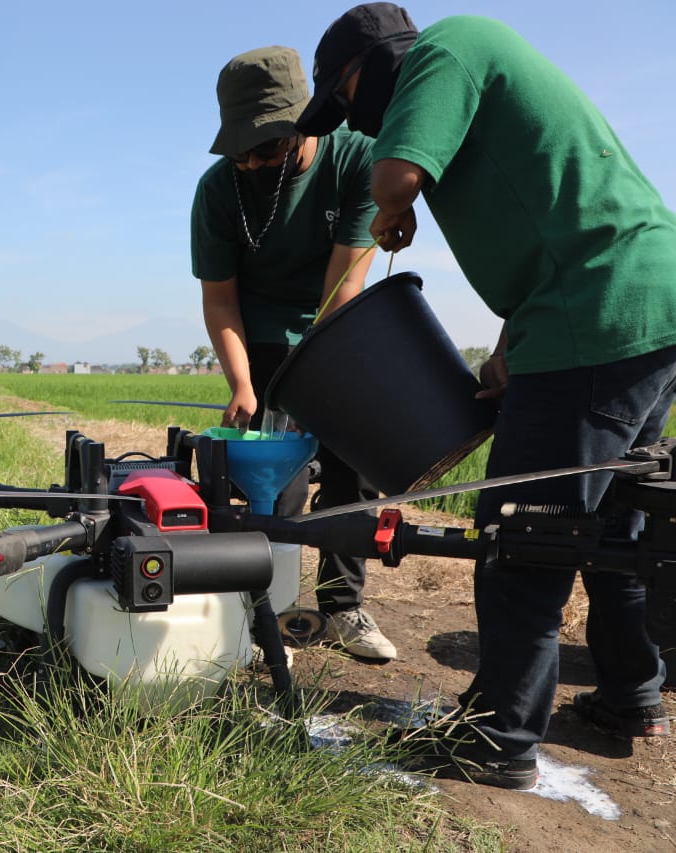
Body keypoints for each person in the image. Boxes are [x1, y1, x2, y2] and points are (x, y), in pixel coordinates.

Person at [298, 3, 676, 790]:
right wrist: (512, 341)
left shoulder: (447, 48)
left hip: (595, 317)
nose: (355, 123)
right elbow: (555, 214)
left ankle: (497, 736)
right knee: (610, 525)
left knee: (523, 533)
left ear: (372, 66)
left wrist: (392, 206)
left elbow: (393, 177)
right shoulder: (482, 60)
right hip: (641, 306)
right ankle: (632, 695)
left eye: (345, 101)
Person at [192, 46, 396, 660]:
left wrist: (316, 383)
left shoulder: (357, 159)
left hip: (340, 329)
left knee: (350, 474)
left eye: (269, 148)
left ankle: (341, 606)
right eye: (242, 152)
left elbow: (345, 284)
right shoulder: (219, 190)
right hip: (258, 338)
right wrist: (243, 384)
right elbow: (220, 301)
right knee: (274, 484)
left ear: (307, 123)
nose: (253, 163)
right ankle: (265, 613)